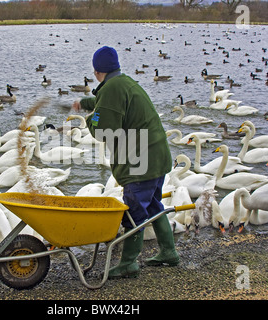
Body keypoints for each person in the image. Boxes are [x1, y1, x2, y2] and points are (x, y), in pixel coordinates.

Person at [72, 46, 179, 279]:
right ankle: (169, 252)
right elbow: (107, 101)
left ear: (96, 70)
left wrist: (89, 119)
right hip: (157, 157)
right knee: (152, 206)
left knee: (133, 211)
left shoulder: (111, 89)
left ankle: (129, 263)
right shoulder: (124, 82)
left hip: (140, 163)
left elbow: (103, 131)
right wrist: (86, 103)